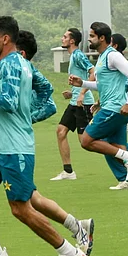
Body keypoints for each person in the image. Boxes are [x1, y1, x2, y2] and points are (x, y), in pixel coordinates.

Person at [0, 16, 88, 256]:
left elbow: (7, 102)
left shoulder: (11, 65)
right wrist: (24, 116)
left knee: (21, 208)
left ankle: (70, 254)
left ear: (5, 39)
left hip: (15, 149)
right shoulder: (17, 64)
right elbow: (41, 94)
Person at [70, 22, 128, 204]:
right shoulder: (103, 57)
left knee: (86, 141)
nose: (89, 39)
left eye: (92, 36)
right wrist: (82, 83)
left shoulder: (112, 55)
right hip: (113, 108)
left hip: (115, 109)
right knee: (118, 150)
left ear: (102, 38)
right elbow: (102, 86)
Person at [50, 28, 96, 181]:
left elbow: (93, 72)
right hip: (74, 101)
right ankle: (68, 172)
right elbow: (81, 78)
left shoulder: (78, 55)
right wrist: (73, 92)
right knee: (61, 132)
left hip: (83, 103)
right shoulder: (72, 57)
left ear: (72, 41)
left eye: (65, 37)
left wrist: (81, 93)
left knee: (86, 141)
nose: (62, 39)